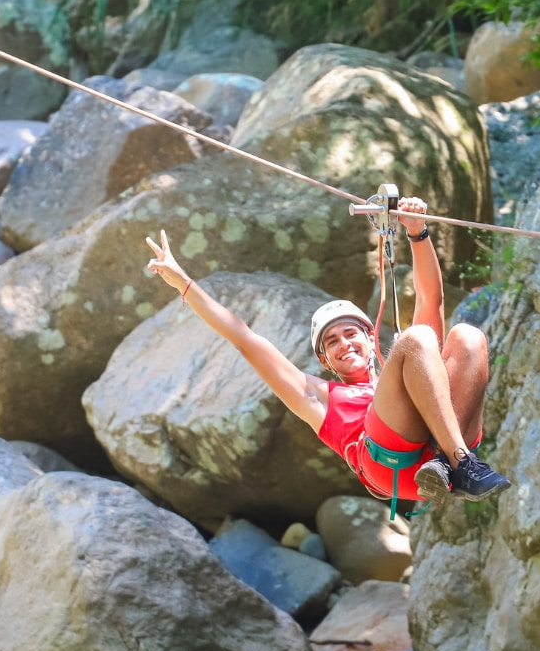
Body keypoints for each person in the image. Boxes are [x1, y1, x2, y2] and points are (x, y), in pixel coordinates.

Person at [143, 195, 510, 517]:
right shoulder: (319, 398)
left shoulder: (413, 366)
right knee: (417, 338)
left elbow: (432, 300)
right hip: (392, 466)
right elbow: (247, 340)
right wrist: (185, 285)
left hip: (435, 461)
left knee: (468, 336)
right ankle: (463, 464)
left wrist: (417, 232)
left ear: (369, 338)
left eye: (350, 333)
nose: (344, 344)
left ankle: (453, 462)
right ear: (326, 362)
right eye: (332, 342)